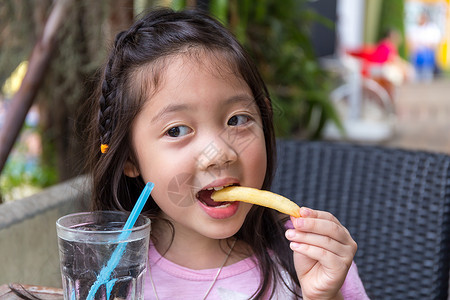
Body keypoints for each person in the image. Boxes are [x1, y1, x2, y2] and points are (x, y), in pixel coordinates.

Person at [84, 7, 369, 299]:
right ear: (130, 158)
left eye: (237, 120)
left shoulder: (310, 261)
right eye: (177, 130)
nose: (219, 153)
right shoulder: (111, 275)